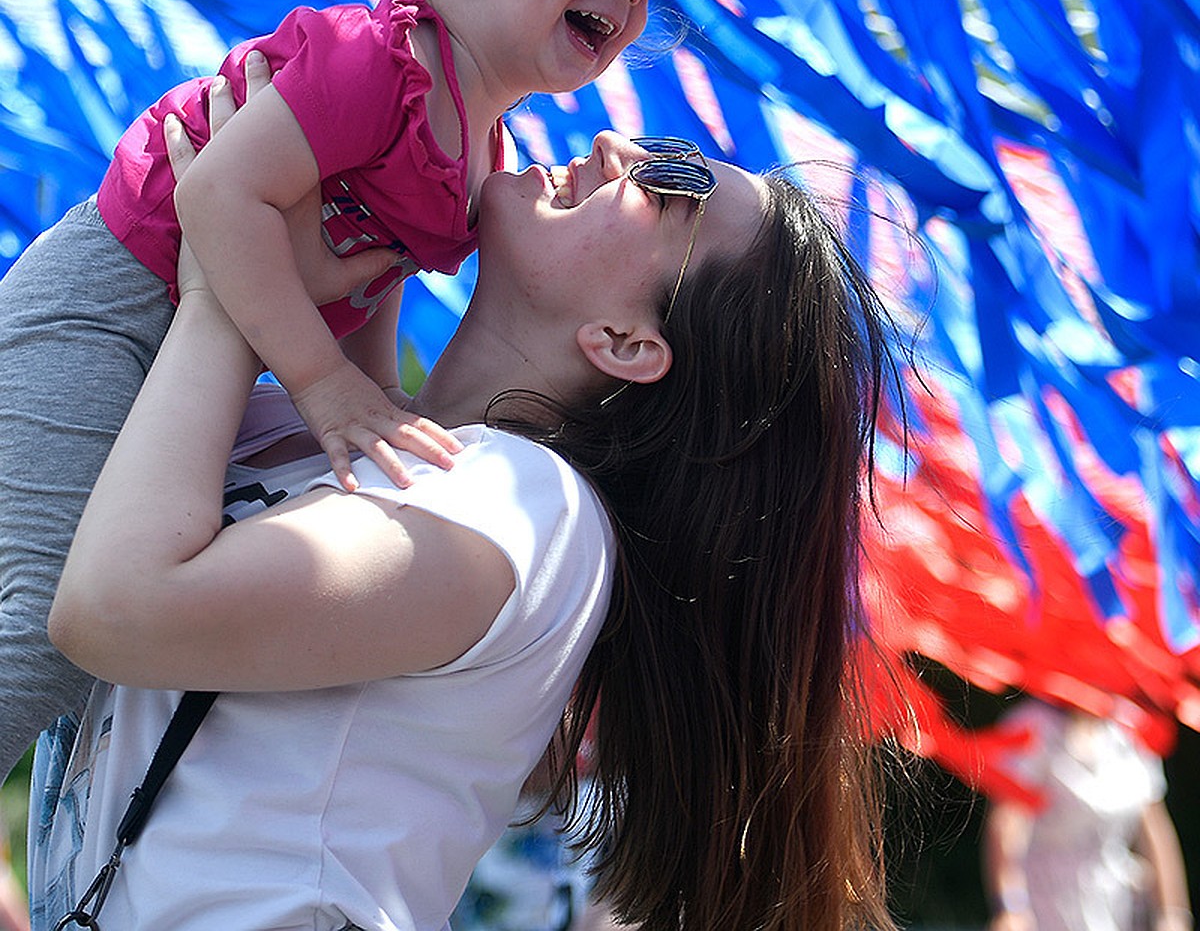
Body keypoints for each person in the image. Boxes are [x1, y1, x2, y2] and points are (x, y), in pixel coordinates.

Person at [31, 61, 895, 929]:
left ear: (628, 344)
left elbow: (112, 612)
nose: (611, 145)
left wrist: (225, 275)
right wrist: (327, 203)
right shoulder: (351, 435)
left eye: (671, 183)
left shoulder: (530, 511)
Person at [0, 0, 746, 779]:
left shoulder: (486, 146)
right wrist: (323, 386)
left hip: (185, 331)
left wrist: (370, 390)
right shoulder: (374, 59)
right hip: (111, 300)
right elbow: (221, 194)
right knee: (43, 629)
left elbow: (368, 267)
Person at [982, 697, 1193, 931]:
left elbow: (1154, 827)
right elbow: (1007, 822)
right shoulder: (1032, 724)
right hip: (1044, 898)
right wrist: (1010, 907)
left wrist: (1173, 914)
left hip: (1114, 902)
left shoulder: (1133, 727)